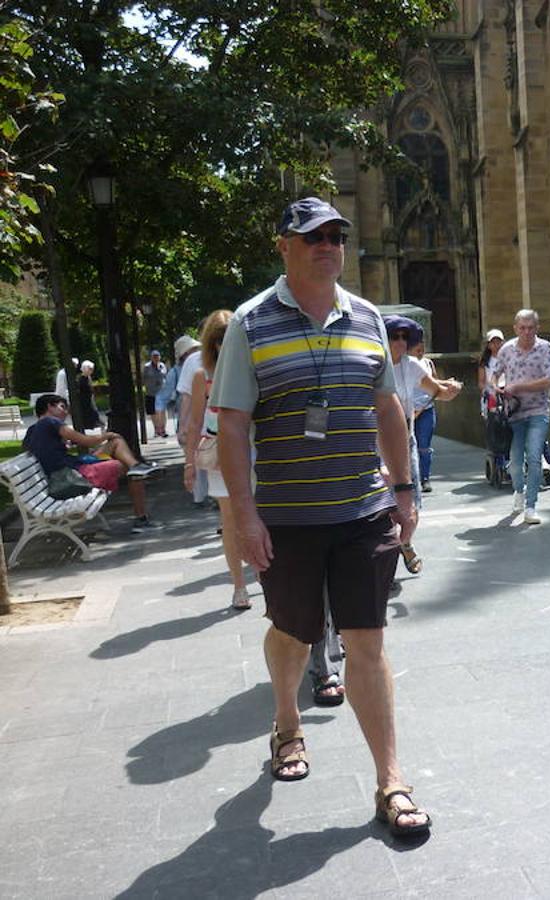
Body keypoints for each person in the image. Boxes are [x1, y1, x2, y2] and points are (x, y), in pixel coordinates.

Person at [210, 196, 429, 836]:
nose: (328, 244)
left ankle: (391, 780)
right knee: (295, 632)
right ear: (285, 246)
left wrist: (405, 489)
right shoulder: (251, 324)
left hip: (362, 509)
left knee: (366, 640)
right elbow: (232, 425)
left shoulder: (365, 317)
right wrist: (244, 517)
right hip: (288, 516)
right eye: (313, 236)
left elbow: (388, 408)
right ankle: (286, 719)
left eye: (337, 234)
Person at [183, 311, 251, 610]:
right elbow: (194, 422)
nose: (225, 344)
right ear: (212, 343)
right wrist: (189, 465)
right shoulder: (202, 376)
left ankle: (262, 572)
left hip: (254, 451)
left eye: (230, 337)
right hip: (219, 455)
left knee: (262, 515)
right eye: (219, 339)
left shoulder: (251, 368)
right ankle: (239, 586)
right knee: (230, 520)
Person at [384, 315, 462, 569]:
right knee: (382, 507)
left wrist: (450, 389)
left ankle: (402, 543)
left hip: (406, 440)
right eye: (394, 336)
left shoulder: (412, 366)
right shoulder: (375, 366)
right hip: (376, 444)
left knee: (412, 506)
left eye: (404, 337)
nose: (399, 341)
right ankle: (389, 559)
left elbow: (437, 391)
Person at [22, 393, 161, 532]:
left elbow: (40, 450)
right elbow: (86, 441)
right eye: (62, 407)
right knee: (129, 469)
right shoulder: (50, 422)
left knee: (116, 443)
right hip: (70, 477)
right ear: (49, 407)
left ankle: (137, 466)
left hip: (67, 472)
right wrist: (107, 434)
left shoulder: (33, 430)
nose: (66, 412)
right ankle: (141, 520)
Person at [492, 309, 550, 524]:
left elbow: (548, 380)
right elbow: (495, 375)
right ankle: (519, 491)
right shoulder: (507, 349)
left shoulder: (545, 348)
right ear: (515, 328)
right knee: (516, 461)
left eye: (531, 328)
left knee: (535, 457)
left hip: (539, 410)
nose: (527, 332)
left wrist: (518, 386)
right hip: (514, 413)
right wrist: (497, 389)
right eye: (522, 328)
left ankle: (531, 506)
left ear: (537, 328)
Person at [175, 335, 206, 504]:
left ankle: (204, 497)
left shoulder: (192, 362)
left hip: (202, 423)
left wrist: (182, 427)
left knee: (203, 462)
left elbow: (186, 399)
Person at [409, 340, 438, 493]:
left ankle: (425, 478)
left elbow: (436, 388)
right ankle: (411, 478)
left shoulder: (428, 364)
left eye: (422, 349)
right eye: (417, 349)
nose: (420, 353)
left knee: (424, 446)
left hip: (426, 410)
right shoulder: (405, 365)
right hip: (408, 411)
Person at [477, 327, 505, 417]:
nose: (496, 345)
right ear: (488, 345)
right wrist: (487, 393)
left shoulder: (508, 358)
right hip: (491, 395)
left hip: (507, 393)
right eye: (493, 342)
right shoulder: (485, 362)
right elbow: (481, 382)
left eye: (499, 342)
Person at [143, 350, 167, 439]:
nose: (156, 358)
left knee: (162, 411)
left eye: (157, 356)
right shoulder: (147, 367)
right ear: (151, 357)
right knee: (153, 412)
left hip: (161, 392)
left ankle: (163, 429)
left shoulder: (162, 366)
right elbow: (144, 379)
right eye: (154, 356)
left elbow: (165, 376)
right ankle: (156, 430)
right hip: (151, 392)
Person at [76, 360, 103, 431]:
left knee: (92, 410)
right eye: (90, 369)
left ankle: (94, 423)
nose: (91, 371)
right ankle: (90, 424)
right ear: (84, 369)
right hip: (84, 399)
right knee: (88, 411)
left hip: (89, 398)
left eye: (92, 369)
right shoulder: (80, 379)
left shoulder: (88, 377)